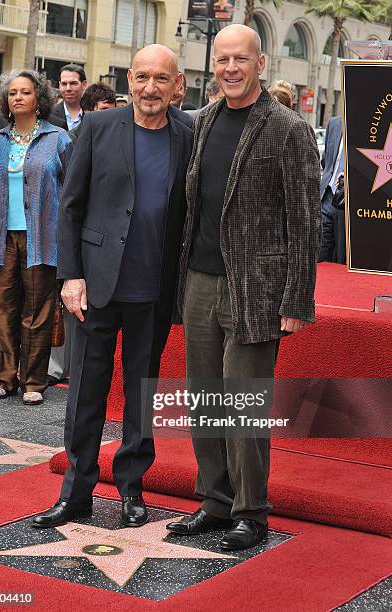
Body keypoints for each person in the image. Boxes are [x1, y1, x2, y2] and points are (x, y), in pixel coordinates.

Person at [167, 24, 320, 550]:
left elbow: (305, 221)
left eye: (241, 59)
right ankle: (213, 499)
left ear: (261, 62)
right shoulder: (200, 121)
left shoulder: (287, 128)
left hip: (257, 286)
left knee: (245, 401)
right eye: (222, 59)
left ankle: (250, 511)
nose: (230, 68)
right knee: (204, 397)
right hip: (200, 281)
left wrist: (297, 298)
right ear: (213, 65)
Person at [32, 44, 192, 530]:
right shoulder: (98, 128)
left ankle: (131, 491)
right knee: (85, 395)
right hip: (94, 288)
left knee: (142, 397)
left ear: (177, 84)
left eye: (161, 79)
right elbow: (71, 206)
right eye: (142, 77)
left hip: (154, 291)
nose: (150, 88)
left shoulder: (189, 132)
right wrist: (70, 275)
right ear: (129, 78)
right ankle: (76, 493)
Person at [0, 70, 71, 406]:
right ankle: (4, 378)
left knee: (37, 310)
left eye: (25, 92)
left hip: (43, 236)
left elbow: (72, 191)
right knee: (3, 308)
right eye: (12, 93)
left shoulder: (58, 139)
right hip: (2, 237)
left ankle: (34, 380)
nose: (17, 97)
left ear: (39, 99)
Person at [47, 83, 118, 386]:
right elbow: (70, 203)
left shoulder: (117, 139)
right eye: (103, 111)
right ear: (88, 113)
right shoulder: (74, 140)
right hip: (77, 242)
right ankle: (55, 369)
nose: (110, 117)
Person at [319, 115, 346, 263]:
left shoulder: (368, 127)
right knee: (321, 254)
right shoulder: (334, 123)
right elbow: (325, 161)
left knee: (341, 257)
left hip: (348, 202)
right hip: (327, 197)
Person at [52, 64, 87, 130]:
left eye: (73, 83)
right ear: (59, 85)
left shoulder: (93, 113)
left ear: (84, 84)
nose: (68, 88)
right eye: (64, 84)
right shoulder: (49, 116)